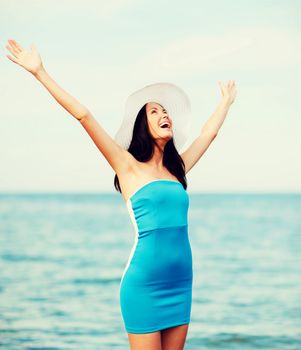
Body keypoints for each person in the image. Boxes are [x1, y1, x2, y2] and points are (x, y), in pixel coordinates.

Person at [5, 39, 237, 350]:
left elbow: (207, 134)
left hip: (181, 283)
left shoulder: (177, 169)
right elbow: (84, 116)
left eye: (166, 111)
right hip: (144, 285)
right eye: (155, 111)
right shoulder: (127, 167)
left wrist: (225, 103)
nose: (163, 114)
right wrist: (40, 72)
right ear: (143, 125)